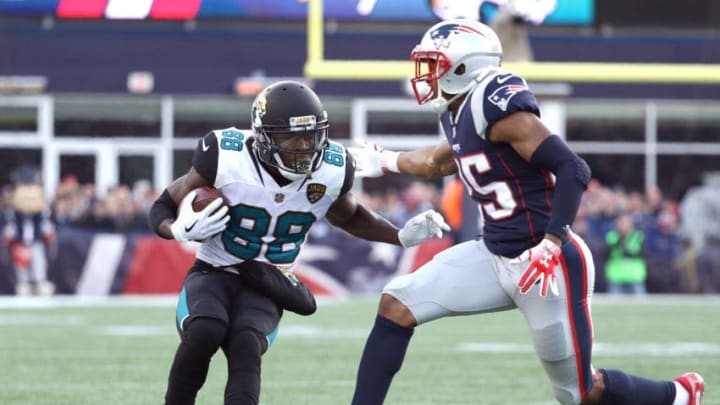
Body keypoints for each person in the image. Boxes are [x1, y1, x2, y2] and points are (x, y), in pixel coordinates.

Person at [348, 19, 704, 405]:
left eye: (434, 64)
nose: (427, 74)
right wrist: (384, 160)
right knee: (397, 302)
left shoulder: (497, 107)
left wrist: (551, 243)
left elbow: (574, 168)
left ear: (464, 66)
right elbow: (439, 161)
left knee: (580, 393)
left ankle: (677, 395)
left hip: (546, 264)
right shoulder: (457, 110)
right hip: (494, 254)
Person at [147, 80, 449, 405]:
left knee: (246, 342)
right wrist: (176, 230)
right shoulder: (226, 155)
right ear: (264, 137)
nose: (304, 146)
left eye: (312, 135)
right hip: (214, 269)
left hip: (269, 281)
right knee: (204, 330)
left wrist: (400, 236)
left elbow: (349, 216)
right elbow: (164, 204)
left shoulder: (331, 169)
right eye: (291, 136)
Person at [605, 213, 647, 295]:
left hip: (635, 276)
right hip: (616, 276)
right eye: (621, 222)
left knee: (640, 305)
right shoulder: (611, 237)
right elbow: (606, 254)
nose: (623, 225)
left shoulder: (638, 236)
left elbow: (637, 252)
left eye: (625, 223)